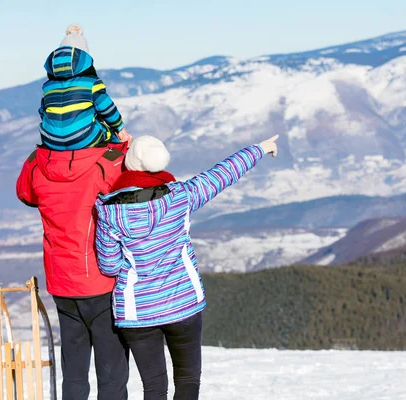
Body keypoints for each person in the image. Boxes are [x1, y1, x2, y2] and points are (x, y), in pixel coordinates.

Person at [94, 134, 280, 399]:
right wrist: (260, 149)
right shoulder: (182, 196)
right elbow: (222, 173)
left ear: (130, 164)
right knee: (188, 380)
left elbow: (109, 265)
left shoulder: (109, 211)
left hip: (138, 312)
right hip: (183, 304)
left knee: (154, 388)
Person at [16, 125, 132, 397]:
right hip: (101, 281)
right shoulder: (105, 162)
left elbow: (25, 193)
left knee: (74, 371)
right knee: (112, 374)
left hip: (61, 282)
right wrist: (122, 141)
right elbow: (131, 171)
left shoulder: (36, 162)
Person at [38, 24, 131, 150]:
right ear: (84, 60)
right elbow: (108, 109)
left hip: (50, 140)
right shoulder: (91, 83)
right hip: (83, 139)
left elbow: (43, 112)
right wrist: (120, 128)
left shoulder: (48, 87)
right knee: (111, 134)